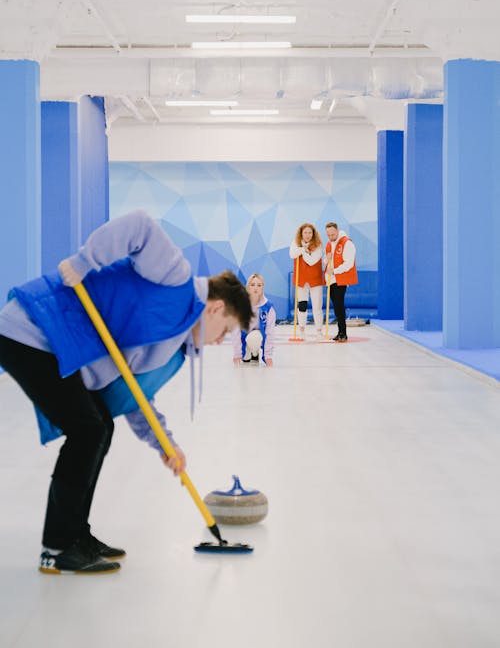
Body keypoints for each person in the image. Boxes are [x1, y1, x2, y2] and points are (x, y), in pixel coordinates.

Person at [0, 210, 252, 575]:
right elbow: (140, 226)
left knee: (99, 424)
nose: (219, 341)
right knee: (87, 429)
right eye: (225, 330)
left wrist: (165, 443)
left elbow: (134, 395)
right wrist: (83, 262)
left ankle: (75, 536)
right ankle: (57, 547)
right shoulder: (176, 280)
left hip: (57, 341)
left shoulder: (174, 341)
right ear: (215, 308)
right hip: (33, 328)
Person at [323, 222, 358, 342]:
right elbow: (325, 261)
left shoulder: (347, 243)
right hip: (331, 280)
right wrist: (326, 260)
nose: (331, 237)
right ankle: (340, 332)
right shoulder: (329, 244)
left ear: (337, 231)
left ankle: (343, 333)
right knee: (336, 307)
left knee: (339, 305)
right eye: (328, 235)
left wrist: (335, 271)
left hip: (340, 279)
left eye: (333, 234)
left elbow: (349, 263)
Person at [232, 273, 276, 367]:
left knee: (254, 337)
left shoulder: (268, 308)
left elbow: (270, 332)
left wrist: (268, 356)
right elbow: (235, 330)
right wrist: (237, 353)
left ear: (262, 288)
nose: (256, 288)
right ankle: (247, 353)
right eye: (252, 285)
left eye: (259, 285)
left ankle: (255, 353)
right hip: (244, 336)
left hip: (258, 337)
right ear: (248, 287)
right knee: (245, 359)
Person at [289, 223, 324, 339]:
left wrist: (303, 251)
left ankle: (319, 330)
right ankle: (302, 329)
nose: (308, 235)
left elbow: (312, 261)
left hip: (315, 279)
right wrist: (302, 249)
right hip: (301, 279)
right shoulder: (295, 242)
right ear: (301, 233)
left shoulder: (318, 245)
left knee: (317, 306)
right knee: (302, 305)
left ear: (313, 234)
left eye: (310, 232)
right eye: (305, 232)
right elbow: (292, 254)